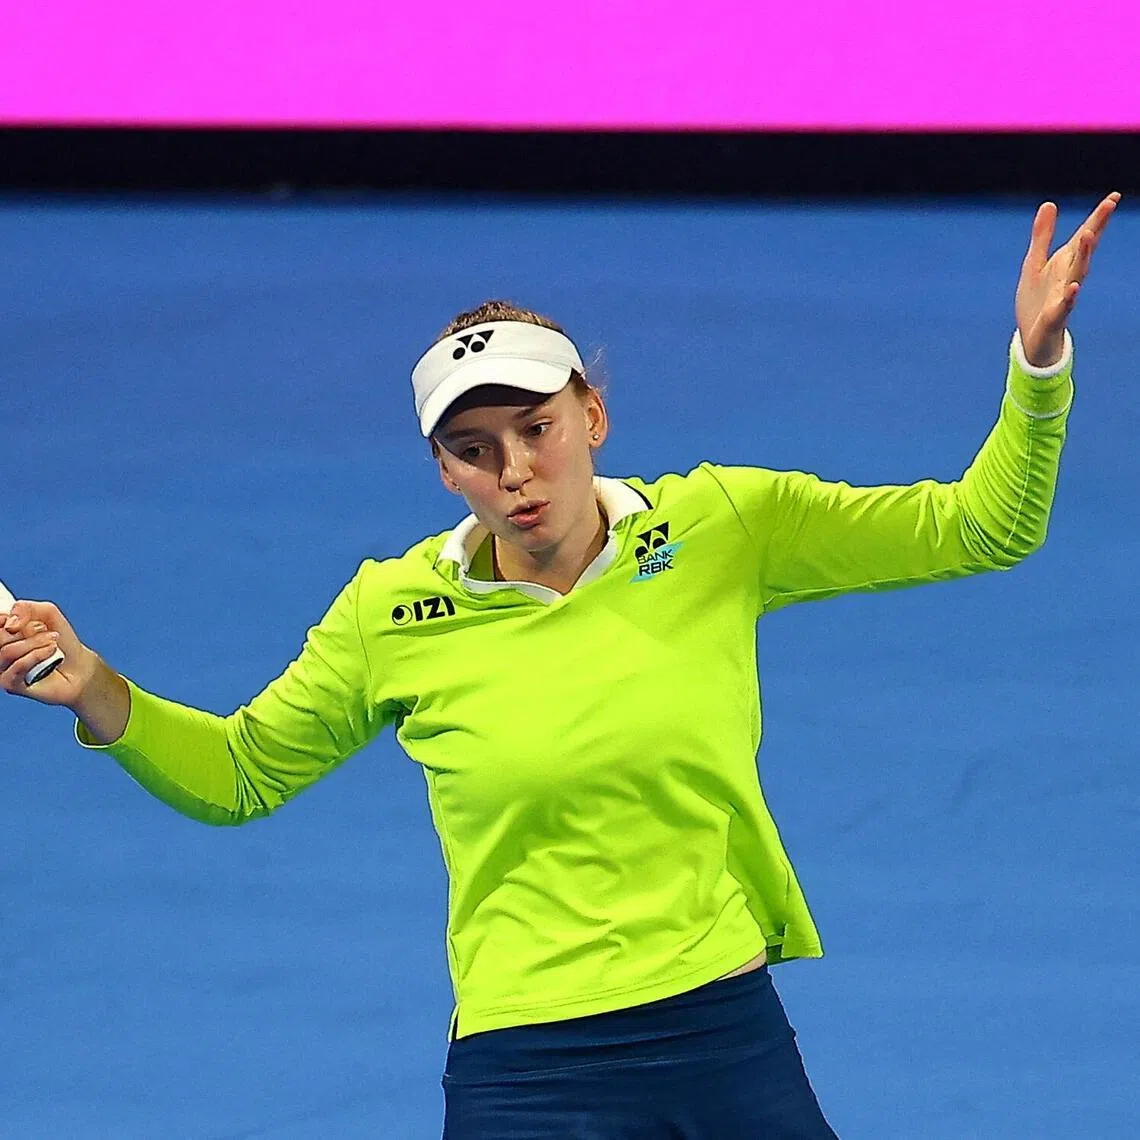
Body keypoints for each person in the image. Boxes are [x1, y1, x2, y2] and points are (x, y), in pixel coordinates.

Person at [0, 193, 1121, 1139]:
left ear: (593, 412)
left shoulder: (725, 524)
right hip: (528, 1062)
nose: (516, 471)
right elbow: (242, 772)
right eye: (474, 451)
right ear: (444, 473)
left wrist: (1037, 360)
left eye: (538, 428)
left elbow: (985, 527)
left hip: (721, 1023)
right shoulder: (391, 610)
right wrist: (97, 688)